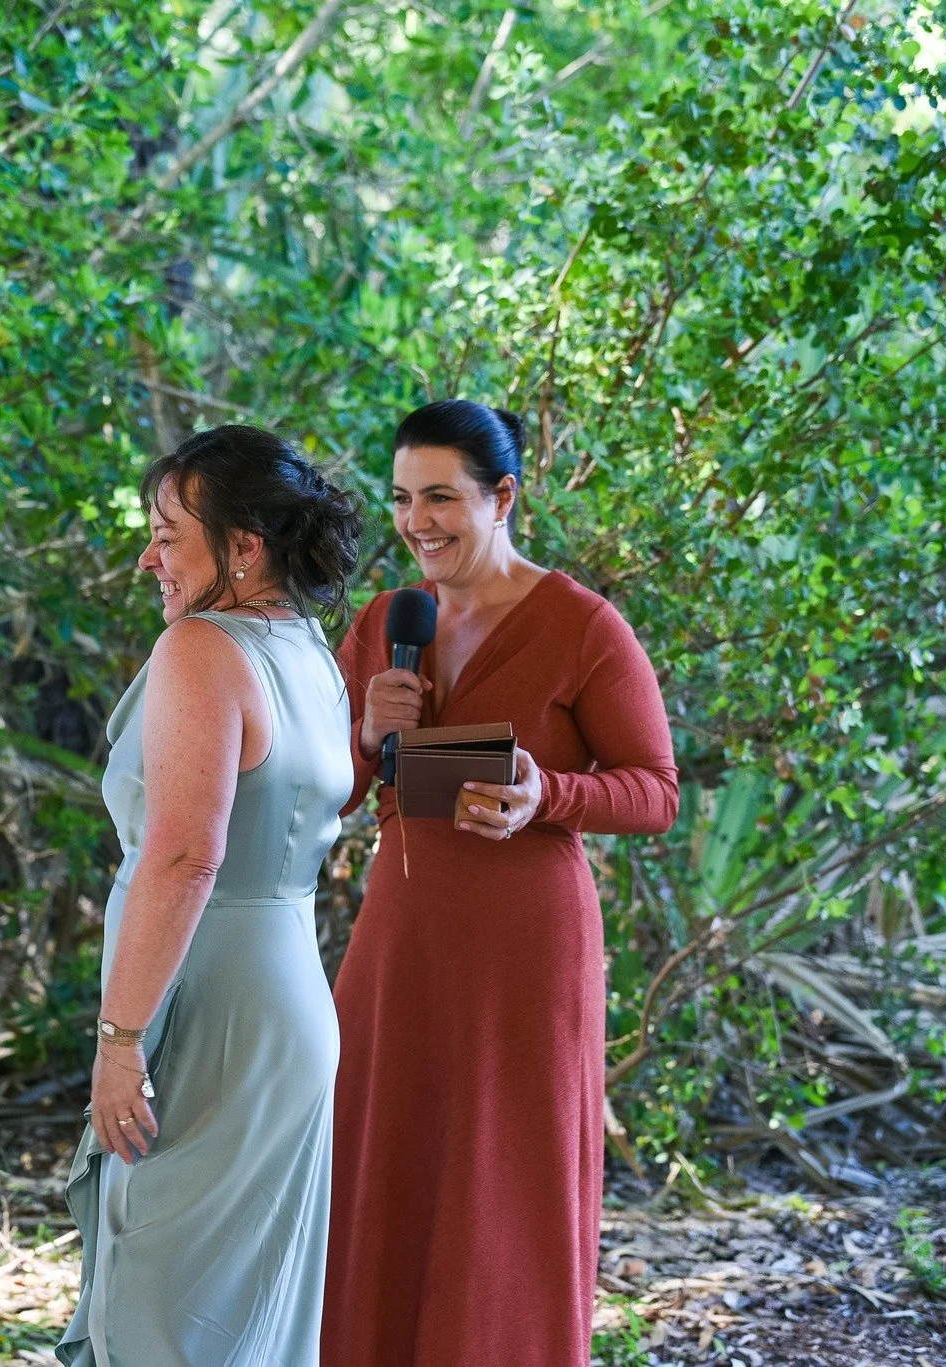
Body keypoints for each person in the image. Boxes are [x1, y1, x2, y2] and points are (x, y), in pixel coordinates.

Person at [320, 400, 680, 1366]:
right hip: (401, 938)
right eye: (402, 498)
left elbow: (655, 790)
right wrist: (362, 732)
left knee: (502, 1176)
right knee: (375, 1155)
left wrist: (547, 793)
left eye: (441, 496)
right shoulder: (388, 622)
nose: (417, 520)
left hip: (526, 944)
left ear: (504, 496)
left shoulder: (582, 625)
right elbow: (339, 793)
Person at [58, 425, 362, 1367]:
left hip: (210, 1006)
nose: (148, 555)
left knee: (161, 1309)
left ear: (244, 546)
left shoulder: (201, 647)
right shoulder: (308, 646)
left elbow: (186, 858)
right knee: (248, 1319)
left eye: (167, 532)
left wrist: (119, 1042)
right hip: (291, 1006)